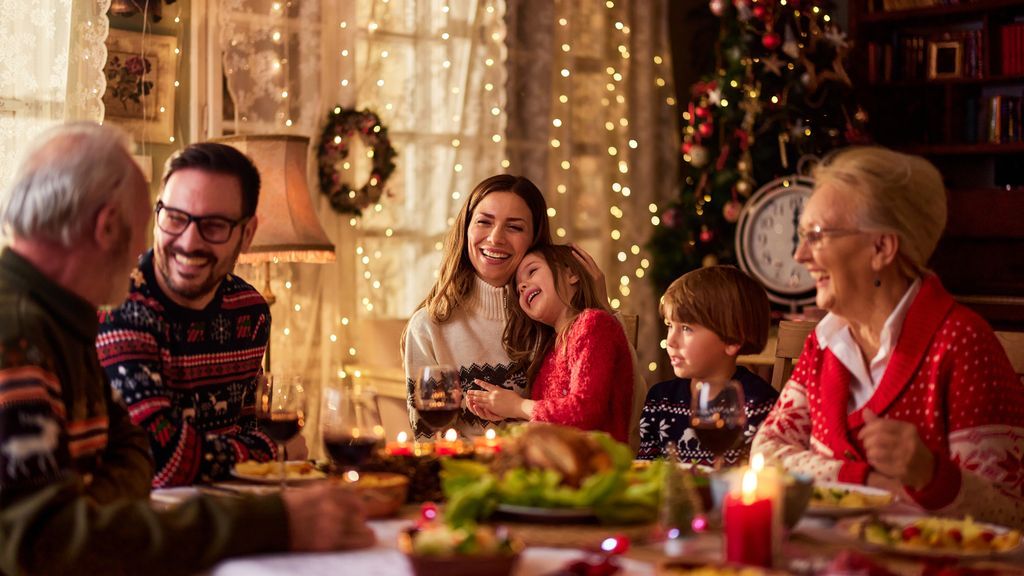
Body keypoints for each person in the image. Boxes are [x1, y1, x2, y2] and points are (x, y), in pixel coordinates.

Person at [0, 123, 373, 575]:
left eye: (213, 226)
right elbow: (47, 543)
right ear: (108, 227)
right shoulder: (17, 335)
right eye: (155, 224)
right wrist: (272, 522)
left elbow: (131, 450)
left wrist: (90, 512)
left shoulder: (60, 321)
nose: (150, 249)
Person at [752, 146, 1024, 528]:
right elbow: (766, 453)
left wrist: (931, 476)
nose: (800, 255)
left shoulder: (962, 344)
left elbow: (1011, 514)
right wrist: (865, 482)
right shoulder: (825, 344)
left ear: (881, 247)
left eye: (816, 236)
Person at [96, 142, 303, 488]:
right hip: (148, 521)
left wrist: (257, 448)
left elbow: (249, 426)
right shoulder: (120, 306)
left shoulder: (250, 311)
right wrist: (275, 450)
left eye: (215, 225)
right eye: (175, 218)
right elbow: (160, 460)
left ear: (247, 234)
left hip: (235, 511)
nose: (189, 242)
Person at [403, 175, 606, 438]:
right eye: (484, 222)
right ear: (466, 230)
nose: (496, 238)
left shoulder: (555, 319)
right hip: (466, 473)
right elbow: (427, 439)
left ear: (534, 240)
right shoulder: (428, 327)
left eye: (514, 227)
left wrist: (599, 305)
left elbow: (623, 402)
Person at [466, 244, 634, 444]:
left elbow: (585, 411)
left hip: (597, 465)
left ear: (571, 274)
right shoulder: (549, 352)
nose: (522, 286)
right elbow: (551, 420)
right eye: (518, 289)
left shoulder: (594, 324)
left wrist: (518, 406)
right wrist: (505, 412)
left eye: (532, 271)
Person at [635, 266, 777, 466]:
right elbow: (646, 471)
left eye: (686, 328)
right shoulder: (660, 399)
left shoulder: (757, 405)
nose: (671, 341)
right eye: (669, 326)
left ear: (732, 340)